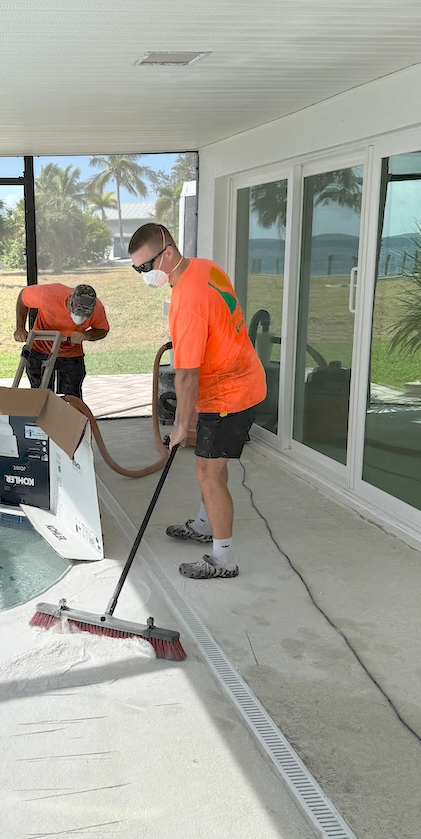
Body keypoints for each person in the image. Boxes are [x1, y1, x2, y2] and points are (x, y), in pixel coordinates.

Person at [128, 223, 266, 580]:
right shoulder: (206, 267)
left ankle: (224, 559)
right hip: (242, 376)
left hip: (228, 395)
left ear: (168, 253)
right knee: (207, 469)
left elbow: (186, 376)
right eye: (138, 269)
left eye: (146, 266)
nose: (144, 274)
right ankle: (205, 526)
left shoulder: (186, 303)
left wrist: (180, 427)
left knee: (209, 472)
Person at [14, 281, 109, 398]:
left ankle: (71, 415)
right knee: (40, 396)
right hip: (40, 348)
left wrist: (86, 335)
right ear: (70, 301)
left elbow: (102, 330)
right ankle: (42, 416)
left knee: (72, 397)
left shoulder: (97, 308)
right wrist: (20, 328)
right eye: (76, 312)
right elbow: (23, 298)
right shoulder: (48, 294)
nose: (79, 318)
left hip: (71, 354)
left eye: (84, 315)